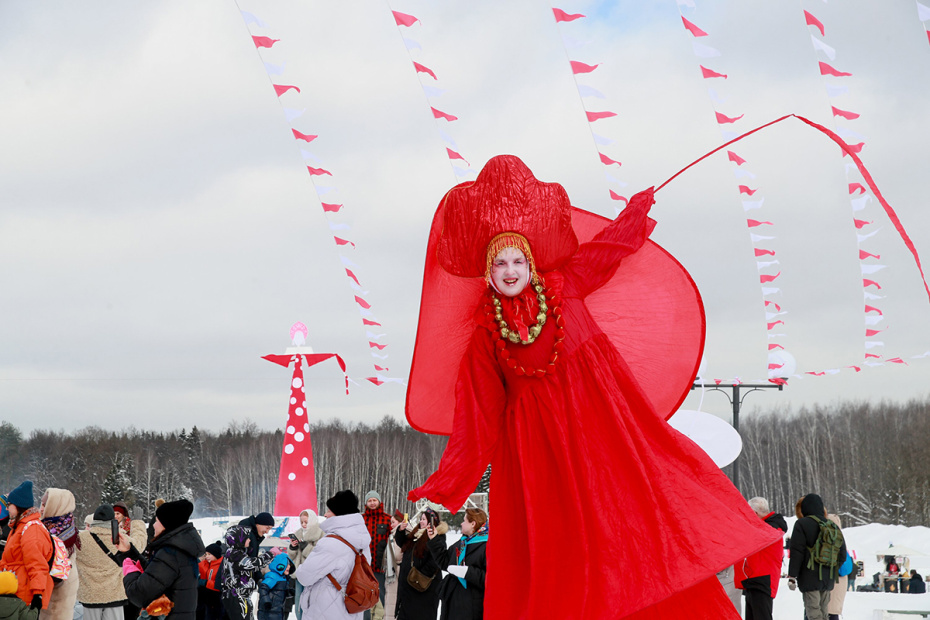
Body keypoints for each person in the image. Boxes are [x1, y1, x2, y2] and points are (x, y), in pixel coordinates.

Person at [405, 155, 783, 619]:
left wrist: (635, 214)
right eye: (499, 262)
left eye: (518, 260)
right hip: (537, 455)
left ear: (531, 262)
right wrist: (449, 480)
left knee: (626, 519)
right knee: (557, 546)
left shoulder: (565, 285)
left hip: (597, 428)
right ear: (488, 270)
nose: (510, 270)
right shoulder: (488, 332)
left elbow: (607, 251)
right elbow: (479, 413)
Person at [119, 499, 206, 620]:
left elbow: (139, 594)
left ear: (167, 524)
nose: (154, 525)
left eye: (157, 521)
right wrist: (130, 552)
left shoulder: (170, 554)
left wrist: (130, 571)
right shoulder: (180, 550)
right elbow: (156, 575)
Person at [294, 490, 372, 620]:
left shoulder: (331, 543)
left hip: (324, 611)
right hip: (351, 608)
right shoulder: (362, 542)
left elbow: (304, 576)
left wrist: (300, 568)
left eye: (329, 510)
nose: (325, 514)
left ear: (339, 514)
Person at [787, 494, 847, 620]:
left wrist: (792, 575)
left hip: (809, 578)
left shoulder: (802, 524)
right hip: (828, 579)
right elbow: (842, 554)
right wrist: (832, 570)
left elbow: (797, 552)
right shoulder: (832, 525)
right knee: (824, 614)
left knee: (813, 614)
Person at [0, 482, 53, 613]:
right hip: (14, 591)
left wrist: (37, 593)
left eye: (9, 505)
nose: (7, 508)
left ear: (18, 506)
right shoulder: (18, 527)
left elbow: (37, 565)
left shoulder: (32, 529)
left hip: (25, 595)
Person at [734, 497, 787, 620]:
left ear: (755, 513)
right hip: (755, 580)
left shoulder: (769, 529)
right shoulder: (767, 527)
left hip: (761, 581)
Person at [429, 508, 487, 620]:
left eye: (464, 521)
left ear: (473, 524)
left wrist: (467, 572)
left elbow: (489, 579)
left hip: (470, 608)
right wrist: (434, 539)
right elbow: (445, 562)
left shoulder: (487, 546)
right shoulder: (463, 542)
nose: (461, 523)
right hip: (452, 602)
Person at [395, 508, 444, 620]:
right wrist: (401, 531)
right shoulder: (416, 534)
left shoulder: (437, 537)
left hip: (424, 588)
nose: (421, 521)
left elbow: (435, 562)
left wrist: (418, 576)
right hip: (409, 586)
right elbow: (403, 543)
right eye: (421, 519)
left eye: (424, 519)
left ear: (432, 522)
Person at [40, 488, 82, 620]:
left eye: (45, 505)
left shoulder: (58, 531)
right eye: (42, 504)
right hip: (53, 584)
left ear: (55, 506)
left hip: (60, 588)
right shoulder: (62, 525)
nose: (41, 508)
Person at [220, 524, 274, 620]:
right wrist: (267, 556)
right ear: (239, 539)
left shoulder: (237, 553)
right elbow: (250, 564)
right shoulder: (234, 554)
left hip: (241, 595)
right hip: (236, 596)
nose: (249, 540)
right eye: (247, 538)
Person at [286, 509, 322, 620]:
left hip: (313, 575)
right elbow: (292, 556)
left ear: (312, 520)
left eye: (306, 522)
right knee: (299, 602)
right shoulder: (298, 533)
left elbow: (320, 554)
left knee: (312, 602)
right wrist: (292, 547)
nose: (303, 525)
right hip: (299, 574)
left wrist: (306, 548)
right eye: (301, 522)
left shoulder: (320, 534)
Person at [362, 491, 391, 620]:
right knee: (364, 597)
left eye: (374, 500)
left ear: (379, 502)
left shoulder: (387, 519)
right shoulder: (361, 520)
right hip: (363, 567)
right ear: (366, 503)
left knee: (380, 597)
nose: (372, 503)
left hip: (380, 567)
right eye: (370, 500)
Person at [257, 554, 295, 620]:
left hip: (278, 611)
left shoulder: (284, 578)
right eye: (287, 565)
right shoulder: (273, 577)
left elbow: (279, 592)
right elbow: (263, 588)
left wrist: (289, 592)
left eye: (290, 565)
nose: (288, 567)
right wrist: (266, 601)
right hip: (268, 611)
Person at [826, 514, 848, 620]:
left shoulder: (830, 539)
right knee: (834, 613)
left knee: (829, 612)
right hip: (841, 582)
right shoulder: (841, 539)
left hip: (832, 582)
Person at [197, 542, 225, 620]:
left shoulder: (222, 566)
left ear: (216, 555)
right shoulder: (205, 563)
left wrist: (205, 582)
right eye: (206, 554)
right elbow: (195, 565)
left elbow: (219, 585)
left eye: (209, 554)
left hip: (216, 598)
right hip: (203, 598)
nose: (207, 556)